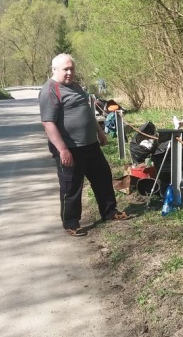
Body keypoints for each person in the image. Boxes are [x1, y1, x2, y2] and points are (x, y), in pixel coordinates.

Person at [39, 54, 129, 236]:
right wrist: (63, 149)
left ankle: (109, 212)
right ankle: (71, 223)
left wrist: (100, 132)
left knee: (103, 177)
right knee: (71, 187)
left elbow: (87, 112)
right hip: (70, 148)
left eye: (72, 68)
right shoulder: (50, 90)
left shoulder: (75, 86)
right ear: (54, 69)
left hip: (90, 144)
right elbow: (48, 123)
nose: (70, 72)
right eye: (66, 69)